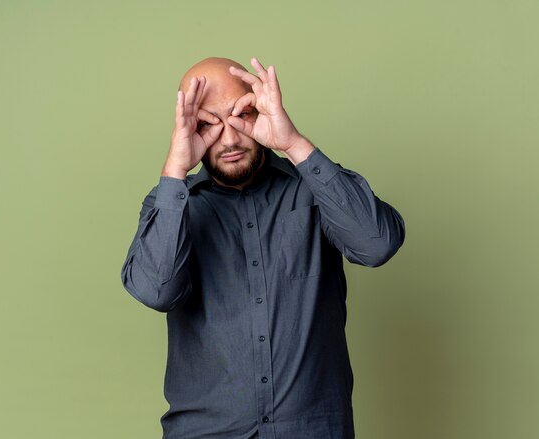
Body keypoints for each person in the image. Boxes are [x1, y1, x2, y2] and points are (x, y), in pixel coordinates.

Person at [121, 57, 406, 439]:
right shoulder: (172, 205)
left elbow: (377, 244)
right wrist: (175, 168)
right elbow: (156, 290)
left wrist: (293, 143)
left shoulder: (315, 190)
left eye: (242, 115)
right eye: (207, 124)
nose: (230, 138)